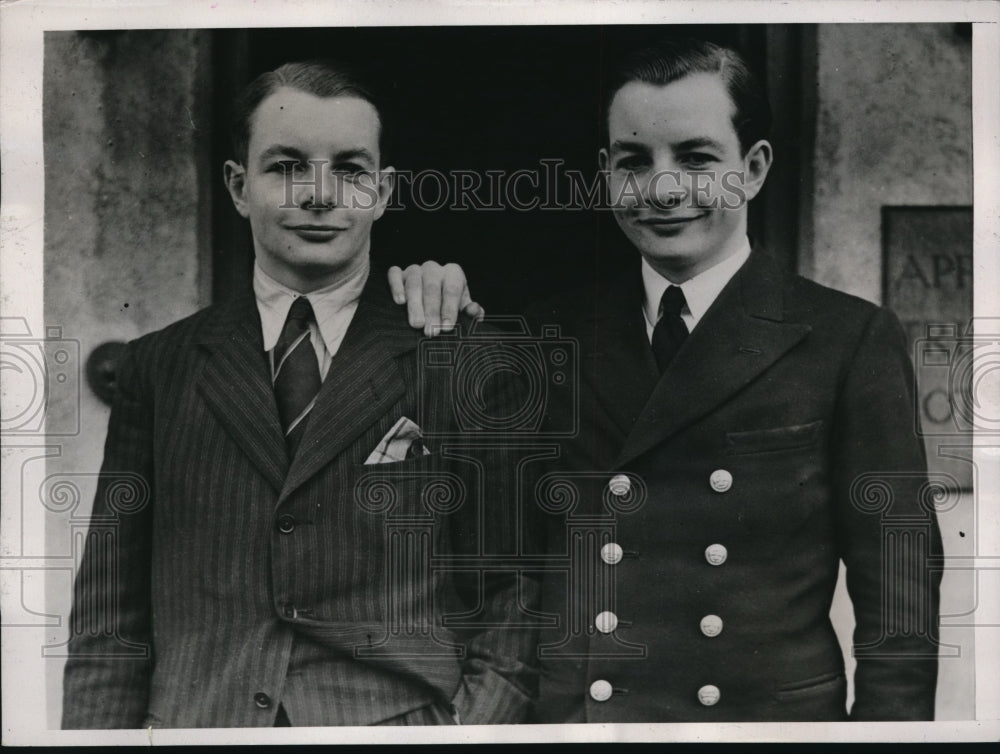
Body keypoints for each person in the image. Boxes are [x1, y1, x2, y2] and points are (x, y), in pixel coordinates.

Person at [391, 38, 942, 722]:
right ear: (604, 172)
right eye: (633, 161)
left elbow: (900, 592)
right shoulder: (548, 333)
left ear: (755, 167)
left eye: (696, 157)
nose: (663, 188)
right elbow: (475, 538)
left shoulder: (846, 339)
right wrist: (432, 317)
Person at [61, 60, 539, 728]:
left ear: (383, 190)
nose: (320, 195)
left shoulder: (457, 355)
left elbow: (512, 597)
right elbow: (111, 617)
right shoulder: (160, 368)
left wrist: (466, 733)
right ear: (237, 186)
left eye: (350, 169)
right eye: (286, 166)